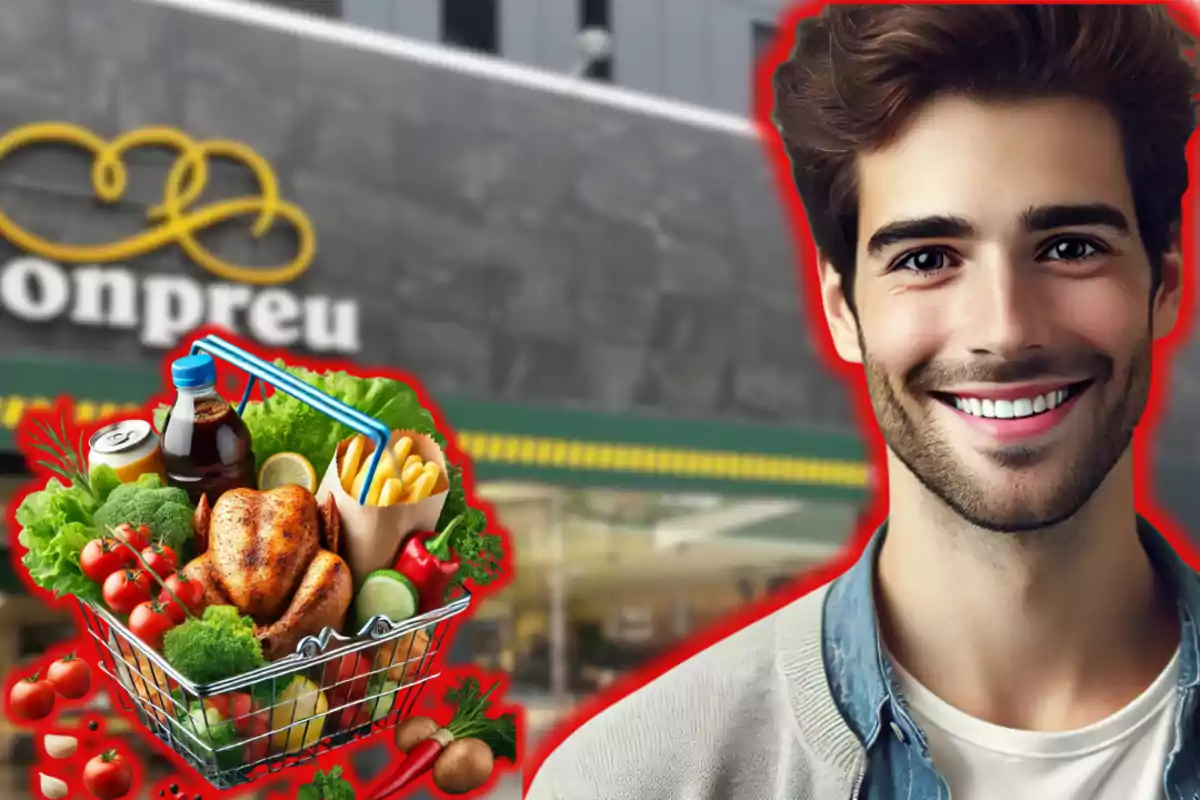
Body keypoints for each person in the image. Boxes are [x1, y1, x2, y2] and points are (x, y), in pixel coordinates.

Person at [523, 5, 1200, 799]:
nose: (1006, 329)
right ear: (842, 309)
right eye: (927, 258)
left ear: (1166, 285)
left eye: (1070, 248)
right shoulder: (636, 782)